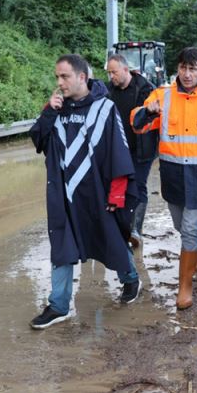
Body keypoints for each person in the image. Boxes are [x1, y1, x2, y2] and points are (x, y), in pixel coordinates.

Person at [29, 54, 142, 330]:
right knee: (62, 246)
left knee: (111, 239)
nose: (59, 82)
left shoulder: (105, 108)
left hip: (97, 193)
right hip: (64, 195)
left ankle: (129, 278)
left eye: (64, 77)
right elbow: (39, 140)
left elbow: (119, 152)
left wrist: (117, 193)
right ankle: (59, 305)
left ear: (82, 77)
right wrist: (48, 112)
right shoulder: (57, 109)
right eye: (57, 77)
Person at [131, 47, 197, 310]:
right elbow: (137, 124)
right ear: (178, 69)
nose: (187, 74)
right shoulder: (163, 95)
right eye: (183, 68)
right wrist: (148, 111)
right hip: (172, 174)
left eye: (193, 68)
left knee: (188, 230)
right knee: (181, 224)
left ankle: (184, 287)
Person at [105, 54, 159, 249]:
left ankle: (135, 229)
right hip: (118, 148)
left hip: (142, 148)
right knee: (117, 186)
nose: (111, 76)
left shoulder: (145, 89)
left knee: (137, 185)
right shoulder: (108, 90)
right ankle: (119, 226)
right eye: (109, 72)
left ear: (126, 70)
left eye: (114, 72)